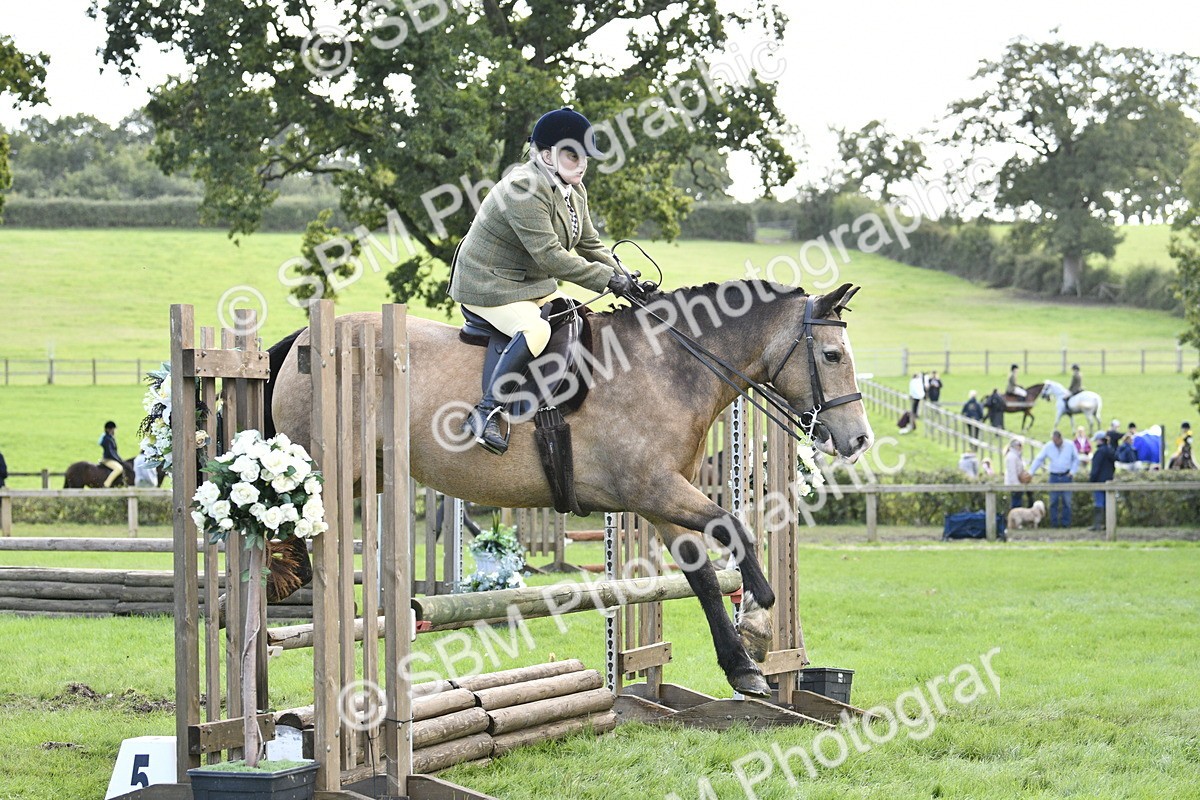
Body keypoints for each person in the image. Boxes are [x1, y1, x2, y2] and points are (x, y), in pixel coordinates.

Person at [448, 107, 641, 454]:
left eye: (585, 157)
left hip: (527, 285)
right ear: (547, 154)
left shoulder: (573, 190)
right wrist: (607, 281)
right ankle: (484, 412)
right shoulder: (524, 187)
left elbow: (589, 242)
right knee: (537, 330)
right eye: (572, 155)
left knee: (572, 312)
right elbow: (551, 256)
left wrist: (623, 274)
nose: (581, 164)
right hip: (488, 285)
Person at [1029, 430, 1080, 528]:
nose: (1055, 443)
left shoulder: (1070, 445)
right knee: (1053, 501)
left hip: (1066, 475)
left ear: (1060, 438)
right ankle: (1054, 524)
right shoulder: (1049, 446)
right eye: (1053, 441)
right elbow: (1039, 459)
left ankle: (1066, 524)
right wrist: (1031, 472)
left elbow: (1076, 459)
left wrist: (1072, 471)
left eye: (1056, 441)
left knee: (1067, 501)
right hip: (1054, 476)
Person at [1089, 431, 1117, 531]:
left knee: (1098, 503)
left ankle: (1097, 525)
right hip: (1109, 479)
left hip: (1099, 481)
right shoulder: (1110, 450)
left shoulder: (1099, 452)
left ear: (1100, 440)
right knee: (1108, 503)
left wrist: (1091, 480)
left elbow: (1095, 468)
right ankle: (1108, 524)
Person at [1004, 438, 1031, 509]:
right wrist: (1017, 486)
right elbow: (1012, 473)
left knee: (1018, 503)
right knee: (1016, 504)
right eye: (1019, 445)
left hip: (1018, 483)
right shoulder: (1012, 456)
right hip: (1014, 484)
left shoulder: (1016, 456)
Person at [99, 421, 124, 487]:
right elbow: (110, 452)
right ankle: (106, 484)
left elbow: (114, 452)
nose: (114, 431)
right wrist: (118, 460)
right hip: (108, 459)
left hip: (111, 458)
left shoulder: (110, 438)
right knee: (119, 468)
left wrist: (120, 459)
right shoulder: (107, 439)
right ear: (108, 429)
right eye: (113, 429)